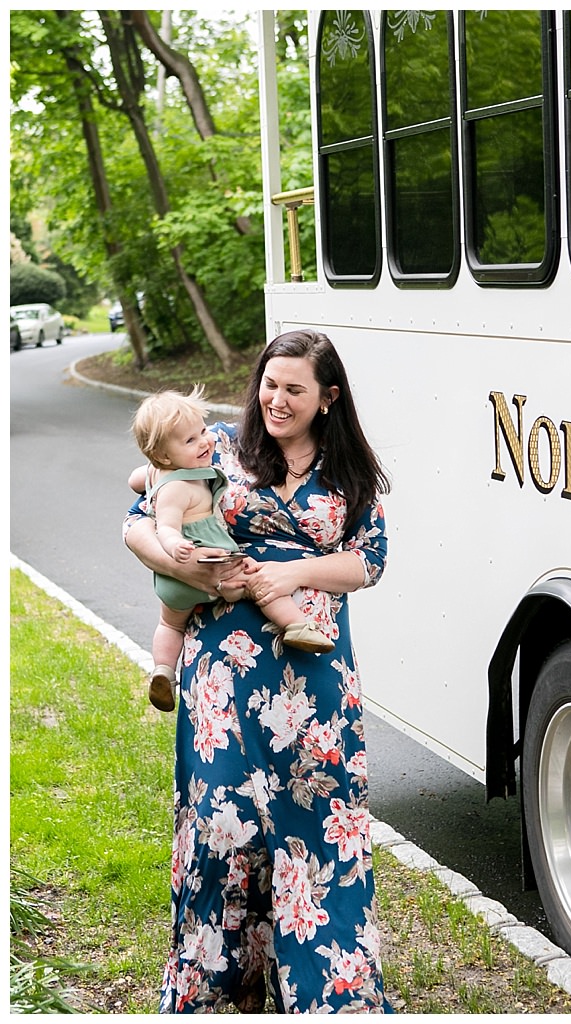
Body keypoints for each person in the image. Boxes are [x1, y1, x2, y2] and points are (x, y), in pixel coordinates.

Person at [124, 330, 393, 1014]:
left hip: (314, 677)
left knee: (316, 832)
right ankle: (216, 993)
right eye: (269, 385)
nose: (276, 400)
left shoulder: (351, 476)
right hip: (223, 676)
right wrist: (183, 564)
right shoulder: (217, 446)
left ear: (328, 398)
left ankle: (330, 995)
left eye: (295, 389)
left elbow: (368, 563)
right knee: (223, 828)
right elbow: (136, 520)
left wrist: (290, 570)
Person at [129, 386, 335, 712]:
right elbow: (165, 525)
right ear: (166, 455)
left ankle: (164, 670)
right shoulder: (179, 488)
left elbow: (135, 480)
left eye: (202, 432)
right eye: (191, 440)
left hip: (172, 587)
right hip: (210, 560)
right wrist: (176, 547)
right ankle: (297, 625)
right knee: (258, 583)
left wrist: (151, 474)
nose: (205, 441)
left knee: (169, 624)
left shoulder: (159, 472)